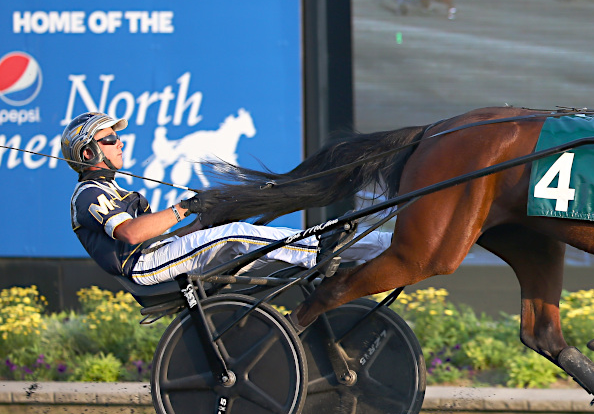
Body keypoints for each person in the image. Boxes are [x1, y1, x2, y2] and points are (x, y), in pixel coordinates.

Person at [63, 111, 389, 286]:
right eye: (110, 139)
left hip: (157, 256)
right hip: (142, 268)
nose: (120, 143)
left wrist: (201, 222)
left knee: (233, 232)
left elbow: (169, 240)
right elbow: (131, 235)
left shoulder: (120, 192)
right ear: (89, 152)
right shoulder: (89, 194)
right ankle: (317, 251)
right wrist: (183, 207)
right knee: (234, 236)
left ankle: (380, 244)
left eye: (118, 137)